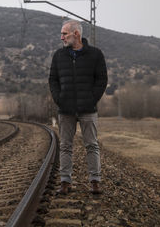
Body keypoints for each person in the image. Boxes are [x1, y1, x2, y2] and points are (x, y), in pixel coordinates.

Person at [48, 19, 108, 195]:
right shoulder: (59, 56)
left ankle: (95, 182)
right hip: (65, 109)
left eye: (64, 34)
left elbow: (102, 80)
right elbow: (53, 80)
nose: (61, 38)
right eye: (61, 34)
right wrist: (59, 99)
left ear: (76, 34)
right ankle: (65, 182)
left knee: (92, 145)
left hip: (88, 109)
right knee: (65, 146)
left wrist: (91, 99)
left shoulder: (96, 55)